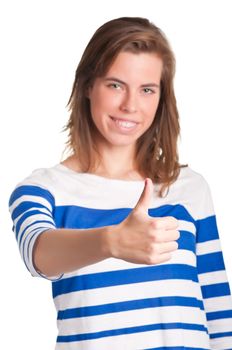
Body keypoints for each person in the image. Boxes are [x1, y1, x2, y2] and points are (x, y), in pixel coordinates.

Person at [9, 17, 232, 350]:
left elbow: (218, 311)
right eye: (115, 85)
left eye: (146, 90)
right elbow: (38, 254)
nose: (130, 105)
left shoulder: (189, 188)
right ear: (88, 85)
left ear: (161, 98)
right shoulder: (44, 190)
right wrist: (112, 241)